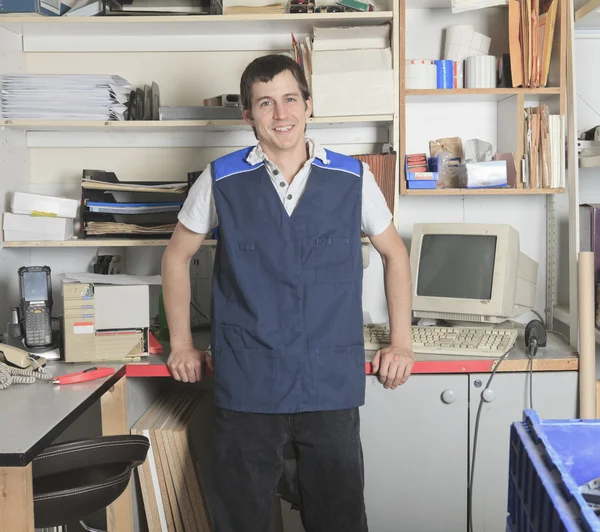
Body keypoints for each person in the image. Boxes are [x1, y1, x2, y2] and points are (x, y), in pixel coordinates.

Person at [161, 54, 415, 532]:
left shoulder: (353, 177)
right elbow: (176, 257)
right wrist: (180, 344)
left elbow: (395, 255)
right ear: (247, 114)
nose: (281, 114)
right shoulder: (220, 179)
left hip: (329, 383)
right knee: (241, 520)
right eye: (265, 103)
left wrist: (401, 341)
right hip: (248, 383)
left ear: (309, 105)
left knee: (338, 519)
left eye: (290, 99)